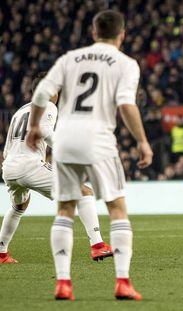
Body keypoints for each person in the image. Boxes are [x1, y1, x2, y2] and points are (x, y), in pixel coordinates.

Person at [26, 10, 153, 301]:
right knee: (117, 208)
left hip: (67, 140)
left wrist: (34, 126)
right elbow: (126, 105)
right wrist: (143, 141)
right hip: (99, 139)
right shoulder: (126, 63)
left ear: (94, 33)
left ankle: (63, 284)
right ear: (122, 35)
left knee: (65, 210)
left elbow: (40, 94)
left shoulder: (70, 58)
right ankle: (122, 282)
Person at [1, 72, 112, 264]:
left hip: (9, 167)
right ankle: (98, 246)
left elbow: (6, 149)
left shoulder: (20, 111)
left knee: (19, 206)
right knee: (84, 192)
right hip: (29, 165)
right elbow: (44, 131)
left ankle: (1, 253)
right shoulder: (48, 105)